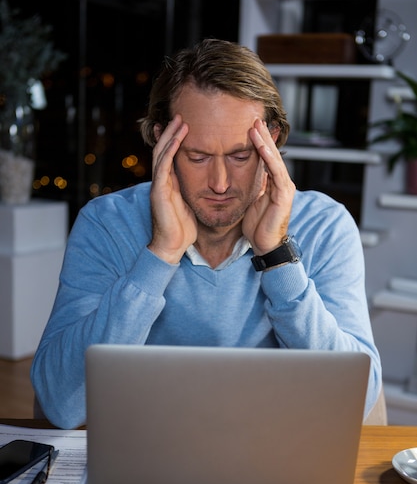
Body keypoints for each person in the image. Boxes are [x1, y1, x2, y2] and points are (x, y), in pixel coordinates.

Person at [31, 38, 382, 429]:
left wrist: (277, 256)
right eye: (197, 157)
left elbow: (360, 400)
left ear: (274, 141)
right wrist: (159, 256)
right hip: (144, 461)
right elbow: (61, 403)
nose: (219, 183)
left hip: (274, 464)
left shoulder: (325, 226)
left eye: (240, 156)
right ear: (161, 141)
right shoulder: (105, 224)